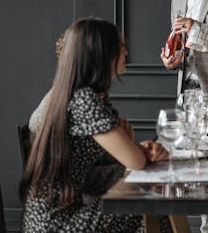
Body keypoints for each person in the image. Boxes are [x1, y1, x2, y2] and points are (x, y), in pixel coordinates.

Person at [20, 18, 168, 232]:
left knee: (150, 199)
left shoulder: (86, 96)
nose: (126, 51)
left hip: (61, 213)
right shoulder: (83, 100)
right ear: (99, 54)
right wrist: (136, 151)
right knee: (149, 204)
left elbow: (127, 153)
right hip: (57, 223)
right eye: (118, 45)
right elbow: (133, 160)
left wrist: (136, 150)